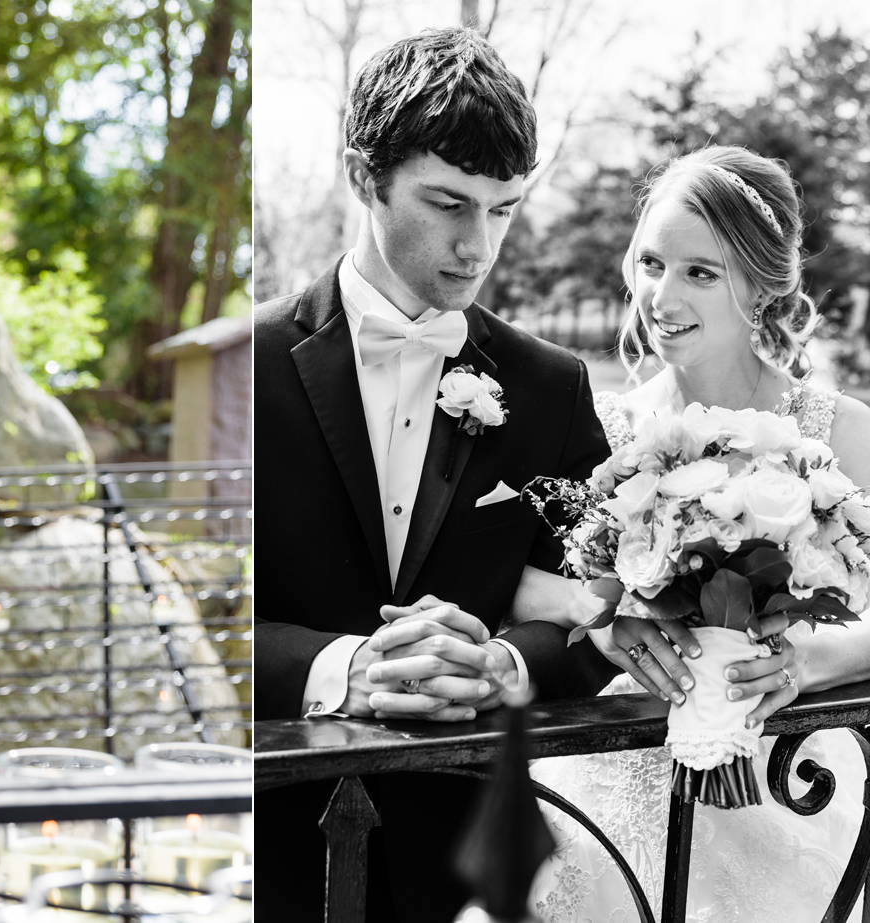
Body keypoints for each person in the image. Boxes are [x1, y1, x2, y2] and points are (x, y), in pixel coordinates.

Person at [251, 28, 619, 922]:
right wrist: (338, 668)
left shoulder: (551, 387)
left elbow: (608, 601)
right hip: (268, 849)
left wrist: (503, 667)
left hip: (463, 861)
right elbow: (191, 619)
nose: (477, 245)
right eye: (447, 203)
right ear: (362, 175)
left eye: (502, 209)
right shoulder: (251, 365)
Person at [527, 146, 870, 922]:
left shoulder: (838, 433)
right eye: (651, 264)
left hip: (787, 785)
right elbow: (534, 584)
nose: (661, 294)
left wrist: (813, 657)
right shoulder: (601, 429)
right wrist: (607, 617)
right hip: (611, 783)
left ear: (761, 286)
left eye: (699, 272)